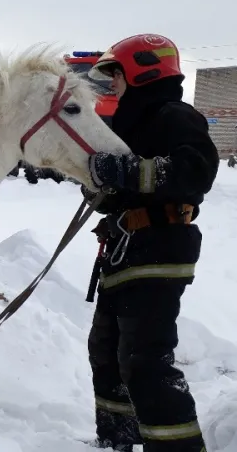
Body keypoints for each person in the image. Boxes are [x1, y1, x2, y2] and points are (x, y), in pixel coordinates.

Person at [81, 33, 219, 452]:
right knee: (105, 353)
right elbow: (122, 189)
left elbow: (196, 171)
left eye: (116, 75)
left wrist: (126, 171)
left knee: (145, 362)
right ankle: (117, 441)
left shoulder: (174, 115)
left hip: (159, 248)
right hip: (126, 250)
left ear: (143, 69)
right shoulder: (132, 122)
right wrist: (99, 184)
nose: (112, 85)